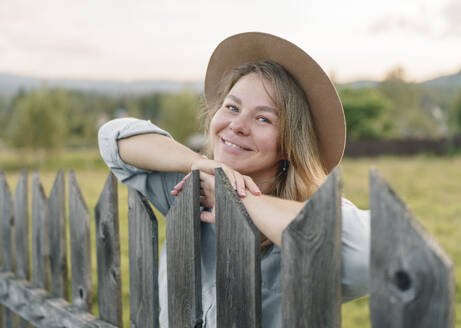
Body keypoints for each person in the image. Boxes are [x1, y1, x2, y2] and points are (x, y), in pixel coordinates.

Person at [98, 32, 370, 328]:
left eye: (263, 118)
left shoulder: (307, 210)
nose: (237, 125)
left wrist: (238, 199)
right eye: (232, 107)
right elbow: (113, 138)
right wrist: (200, 163)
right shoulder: (192, 188)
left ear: (290, 144)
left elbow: (367, 257)